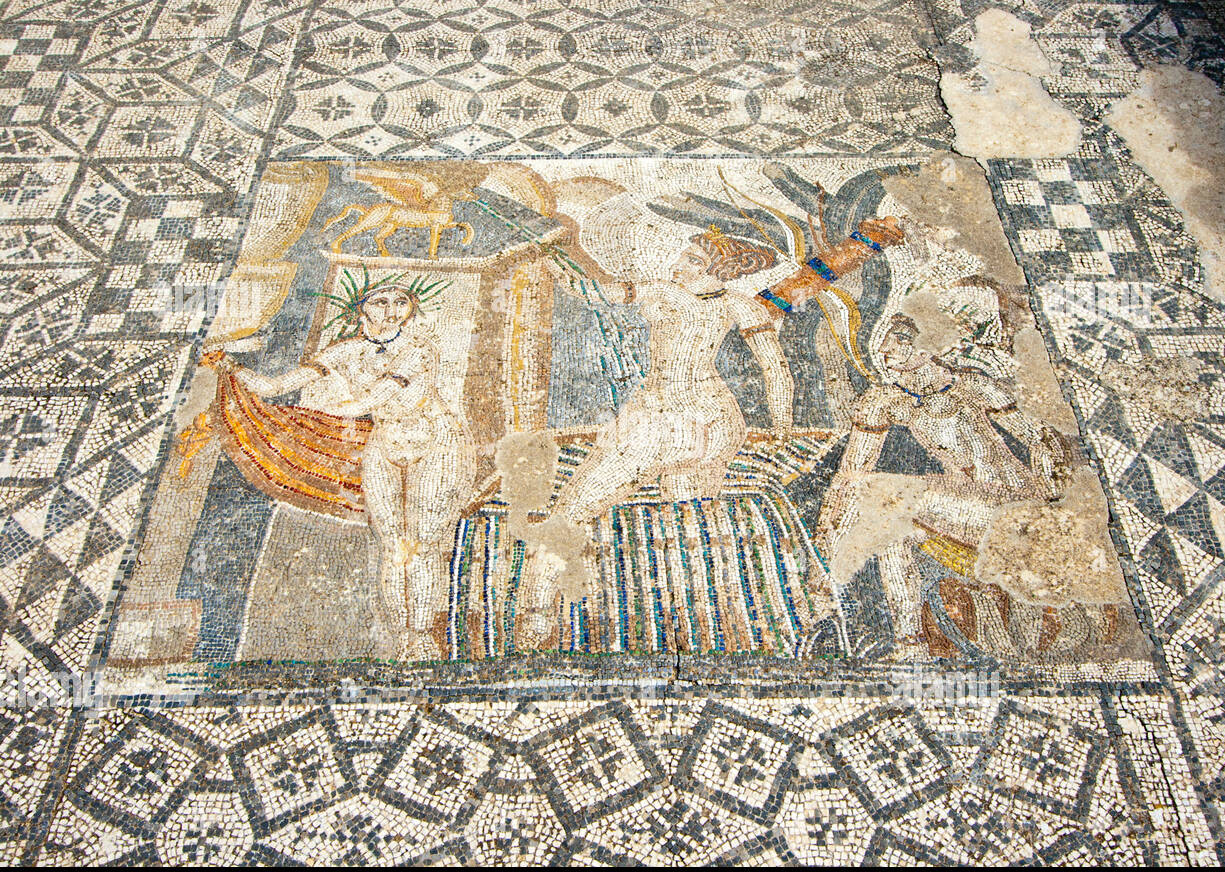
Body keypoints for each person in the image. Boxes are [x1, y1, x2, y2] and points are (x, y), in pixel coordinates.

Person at [512, 229, 795, 650]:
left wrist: (551, 259)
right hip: (716, 424)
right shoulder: (743, 306)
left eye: (693, 260)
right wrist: (782, 426)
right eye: (683, 256)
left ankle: (534, 619)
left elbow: (591, 291)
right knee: (686, 523)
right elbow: (777, 371)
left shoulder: (662, 292)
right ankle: (701, 626)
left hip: (659, 422)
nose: (679, 265)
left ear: (716, 269)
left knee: (571, 510)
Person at [228, 283, 474, 659]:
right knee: (393, 545)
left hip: (435, 442)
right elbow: (275, 385)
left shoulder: (419, 349)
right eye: (380, 302)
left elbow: (376, 398)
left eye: (400, 302)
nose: (392, 310)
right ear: (363, 309)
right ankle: (404, 639)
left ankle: (423, 637)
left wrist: (329, 411)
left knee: (423, 543)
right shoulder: (345, 351)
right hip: (385, 443)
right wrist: (230, 366)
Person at [817, 313, 1069, 646]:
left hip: (1011, 501)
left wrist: (1052, 486)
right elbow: (852, 473)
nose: (883, 351)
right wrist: (826, 543)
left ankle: (912, 641)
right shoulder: (886, 401)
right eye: (879, 343)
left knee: (889, 503)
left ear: (920, 343)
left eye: (895, 340)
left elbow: (1038, 437)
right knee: (889, 527)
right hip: (965, 507)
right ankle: (911, 642)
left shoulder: (972, 385)